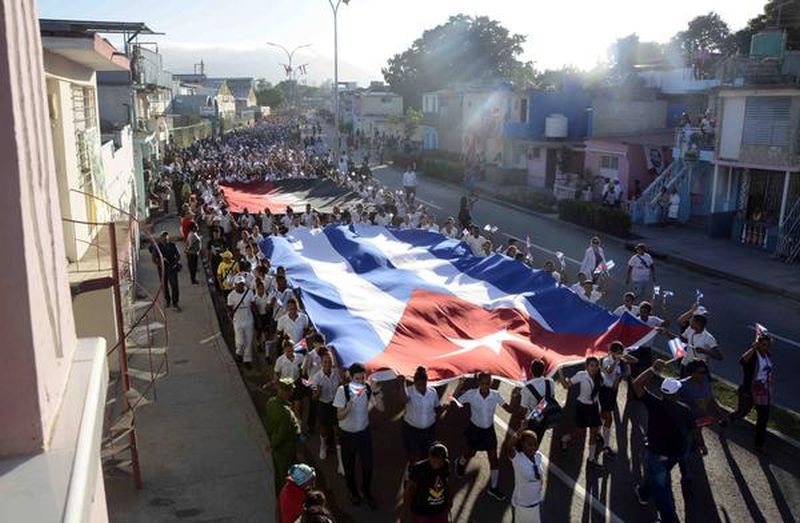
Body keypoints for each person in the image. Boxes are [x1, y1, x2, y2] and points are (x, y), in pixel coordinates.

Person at [632, 360, 695, 523]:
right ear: (675, 394)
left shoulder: (654, 404)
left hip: (657, 454)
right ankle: (646, 495)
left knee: (660, 489)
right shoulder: (685, 410)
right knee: (658, 481)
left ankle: (666, 516)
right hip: (675, 454)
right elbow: (691, 431)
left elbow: (637, 384)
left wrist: (653, 368)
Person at [453, 372, 514, 500]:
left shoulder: (495, 395)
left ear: (491, 383)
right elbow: (455, 401)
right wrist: (459, 386)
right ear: (478, 383)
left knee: (493, 458)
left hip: (489, 431)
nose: (485, 386)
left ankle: (493, 488)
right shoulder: (471, 394)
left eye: (487, 383)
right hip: (475, 430)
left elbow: (509, 409)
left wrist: (515, 397)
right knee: (470, 453)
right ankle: (460, 462)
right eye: (482, 383)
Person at [333, 362, 378, 508]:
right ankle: (353, 492)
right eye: (357, 379)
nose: (360, 382)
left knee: (368, 464)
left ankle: (366, 490)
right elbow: (339, 416)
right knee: (349, 465)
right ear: (351, 378)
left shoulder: (368, 389)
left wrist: (377, 393)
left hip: (364, 433)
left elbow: (381, 407)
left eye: (362, 378)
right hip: (348, 435)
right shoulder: (342, 391)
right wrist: (349, 406)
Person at [729, 332, 773, 453]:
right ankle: (725, 421)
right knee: (742, 412)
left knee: (763, 418)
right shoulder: (753, 355)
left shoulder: (767, 355)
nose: (766, 348)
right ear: (758, 345)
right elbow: (742, 361)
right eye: (764, 345)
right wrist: (753, 348)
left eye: (768, 345)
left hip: (763, 391)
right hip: (749, 391)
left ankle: (759, 444)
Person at [556, 357, 603, 469]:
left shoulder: (601, 376)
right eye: (591, 365)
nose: (594, 368)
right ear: (586, 367)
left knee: (594, 432)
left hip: (594, 407)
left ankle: (591, 459)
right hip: (583, 407)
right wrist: (560, 372)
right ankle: (565, 438)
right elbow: (566, 386)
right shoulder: (581, 375)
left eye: (596, 365)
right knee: (579, 433)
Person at [599, 342, 638, 455]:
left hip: (612, 391)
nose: (620, 355)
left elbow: (635, 360)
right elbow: (609, 370)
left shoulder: (621, 360)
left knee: (604, 415)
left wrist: (624, 355)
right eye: (618, 352)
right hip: (605, 391)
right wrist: (616, 360)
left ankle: (597, 432)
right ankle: (606, 446)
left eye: (621, 352)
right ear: (611, 352)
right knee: (609, 419)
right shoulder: (607, 360)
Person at [265, 378, 302, 494]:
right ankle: (285, 500)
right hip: (286, 449)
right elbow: (282, 434)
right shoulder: (286, 413)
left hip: (277, 449)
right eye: (291, 391)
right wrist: (273, 444)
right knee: (286, 477)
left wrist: (271, 444)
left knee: (279, 475)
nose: (292, 393)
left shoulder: (271, 402)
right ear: (287, 392)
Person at [401, 367, 440, 474]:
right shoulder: (409, 391)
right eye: (418, 385)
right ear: (414, 383)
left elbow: (437, 406)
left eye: (423, 385)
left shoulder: (433, 392)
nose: (421, 387)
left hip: (429, 430)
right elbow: (404, 400)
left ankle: (422, 474)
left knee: (427, 454)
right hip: (411, 430)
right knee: (413, 455)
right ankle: (411, 473)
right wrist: (401, 383)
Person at [401, 442, 451, 523]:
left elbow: (446, 483)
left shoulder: (446, 465)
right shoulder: (418, 469)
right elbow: (409, 492)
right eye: (433, 461)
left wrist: (449, 499)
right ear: (429, 457)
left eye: (439, 462)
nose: (436, 465)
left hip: (440, 510)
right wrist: (404, 513)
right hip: (422, 512)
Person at [505, 430, 544, 523]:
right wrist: (520, 430)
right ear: (522, 444)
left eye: (535, 444)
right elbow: (509, 447)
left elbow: (540, 476)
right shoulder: (518, 459)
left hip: (536, 503)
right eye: (529, 444)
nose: (533, 447)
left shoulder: (538, 456)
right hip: (522, 505)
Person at [309, 348, 341, 462]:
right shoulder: (316, 378)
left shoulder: (337, 373)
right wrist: (318, 393)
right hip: (323, 405)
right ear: (321, 363)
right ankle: (323, 446)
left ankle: (339, 455)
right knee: (324, 429)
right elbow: (313, 398)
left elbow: (341, 386)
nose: (327, 364)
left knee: (337, 430)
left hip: (335, 405)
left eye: (329, 361)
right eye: (325, 362)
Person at [518, 359, 558, 443]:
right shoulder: (550, 382)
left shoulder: (527, 388)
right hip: (546, 416)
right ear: (543, 371)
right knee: (537, 439)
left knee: (526, 442)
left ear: (531, 371)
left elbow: (523, 409)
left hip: (533, 420)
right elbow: (552, 397)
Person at [675, 304, 721, 376]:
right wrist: (670, 335)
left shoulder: (709, 338)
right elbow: (683, 338)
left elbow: (719, 356)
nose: (690, 321)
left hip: (697, 369)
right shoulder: (689, 328)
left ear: (698, 322)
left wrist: (704, 351)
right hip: (685, 363)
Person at [226, 275, 256, 368]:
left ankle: (247, 360)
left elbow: (253, 305)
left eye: (242, 284)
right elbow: (229, 308)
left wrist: (257, 319)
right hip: (238, 320)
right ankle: (238, 352)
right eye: (239, 285)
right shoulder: (231, 295)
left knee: (248, 341)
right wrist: (230, 316)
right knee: (240, 341)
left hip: (248, 320)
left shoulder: (249, 293)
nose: (241, 286)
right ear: (235, 285)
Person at [150, 231, 182, 311]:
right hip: (162, 270)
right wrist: (161, 265)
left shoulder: (172, 245)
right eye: (164, 237)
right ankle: (167, 300)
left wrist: (174, 263)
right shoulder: (157, 248)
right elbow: (154, 259)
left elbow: (178, 256)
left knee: (174, 286)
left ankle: (175, 302)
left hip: (172, 268)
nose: (165, 239)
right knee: (164, 286)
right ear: (160, 238)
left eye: (166, 237)